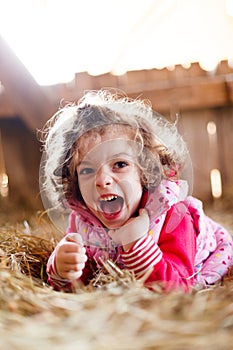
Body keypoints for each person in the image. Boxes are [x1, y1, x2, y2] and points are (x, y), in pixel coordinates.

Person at [40, 89, 233, 293]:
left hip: (205, 263)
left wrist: (136, 243)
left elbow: (176, 290)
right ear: (74, 182)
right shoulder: (83, 222)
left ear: (144, 172)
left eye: (120, 164)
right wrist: (64, 269)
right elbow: (83, 281)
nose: (102, 180)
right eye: (87, 170)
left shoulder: (175, 218)